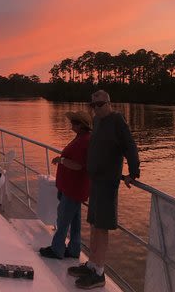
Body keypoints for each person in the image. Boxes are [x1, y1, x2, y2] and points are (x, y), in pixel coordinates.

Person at [68, 90, 139, 289]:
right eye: (93, 105)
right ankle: (91, 264)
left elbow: (130, 146)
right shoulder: (97, 122)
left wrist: (133, 172)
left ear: (109, 103)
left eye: (100, 104)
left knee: (102, 228)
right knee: (93, 223)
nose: (96, 108)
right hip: (96, 181)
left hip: (108, 183)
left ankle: (99, 272)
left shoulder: (117, 120)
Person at [39, 110, 92, 260]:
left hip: (73, 187)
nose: (72, 125)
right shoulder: (81, 138)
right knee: (74, 220)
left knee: (63, 220)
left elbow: (78, 165)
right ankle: (74, 249)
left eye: (75, 122)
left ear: (82, 126)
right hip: (72, 187)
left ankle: (57, 249)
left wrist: (61, 161)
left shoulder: (84, 141)